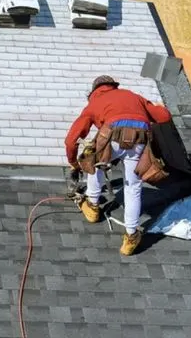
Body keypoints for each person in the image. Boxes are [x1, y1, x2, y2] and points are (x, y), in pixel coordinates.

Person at [64, 75, 173, 256]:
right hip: (139, 139)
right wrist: (156, 107)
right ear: (113, 86)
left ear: (93, 91)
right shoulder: (132, 95)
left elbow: (71, 140)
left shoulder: (94, 103)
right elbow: (163, 116)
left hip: (111, 136)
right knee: (133, 187)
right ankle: (131, 236)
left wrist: (74, 163)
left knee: (94, 162)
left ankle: (92, 206)